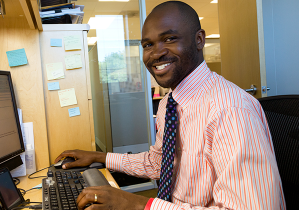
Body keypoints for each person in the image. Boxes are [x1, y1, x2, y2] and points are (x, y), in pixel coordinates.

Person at [55, 1, 286, 209]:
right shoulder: (170, 103)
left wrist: (138, 205)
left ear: (199, 40)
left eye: (169, 39)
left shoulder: (230, 110)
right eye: (147, 44)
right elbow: (158, 163)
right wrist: (100, 157)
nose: (156, 53)